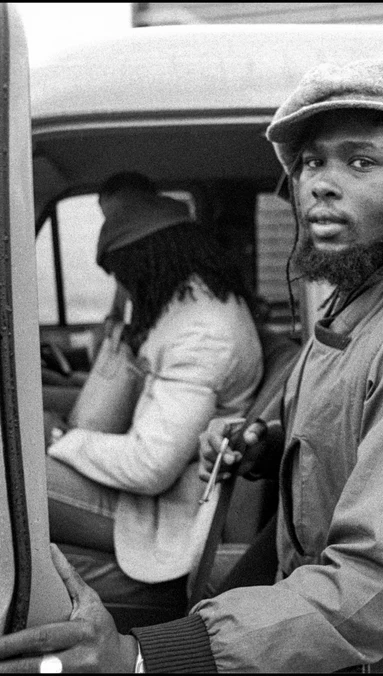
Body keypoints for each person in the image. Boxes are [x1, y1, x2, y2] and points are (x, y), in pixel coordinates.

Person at [0, 53, 383, 673]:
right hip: (311, 632)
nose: (319, 184)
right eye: (311, 161)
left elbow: (366, 590)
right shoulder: (359, 301)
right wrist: (268, 443)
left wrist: (141, 656)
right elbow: (350, 433)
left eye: (361, 161)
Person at [42, 172, 264, 619]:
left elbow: (150, 467)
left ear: (148, 264)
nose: (124, 289)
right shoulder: (190, 307)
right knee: (17, 442)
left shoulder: (204, 332)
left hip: (166, 510)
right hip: (158, 488)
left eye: (125, 276)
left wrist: (60, 441)